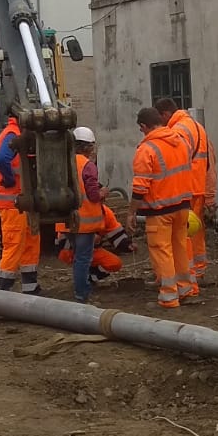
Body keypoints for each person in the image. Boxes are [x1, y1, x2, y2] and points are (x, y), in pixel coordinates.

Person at [128, 106, 196, 308]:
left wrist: (131, 212)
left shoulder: (146, 150)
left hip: (160, 211)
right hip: (183, 207)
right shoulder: (181, 142)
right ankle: (185, 289)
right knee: (180, 247)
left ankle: (169, 296)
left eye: (141, 129)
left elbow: (140, 187)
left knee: (162, 250)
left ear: (144, 126)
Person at [155, 97, 216, 280]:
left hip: (184, 191)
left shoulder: (178, 131)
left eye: (159, 118)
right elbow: (209, 162)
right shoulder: (196, 127)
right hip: (197, 189)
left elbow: (172, 161)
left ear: (165, 114)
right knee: (195, 233)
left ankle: (186, 274)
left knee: (183, 236)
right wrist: (210, 194)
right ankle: (198, 269)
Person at [0, 109, 40, 294]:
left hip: (23, 202)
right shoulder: (12, 134)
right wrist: (10, 180)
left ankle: (30, 287)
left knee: (31, 241)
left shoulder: (19, 134)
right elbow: (2, 159)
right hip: (12, 203)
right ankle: (3, 292)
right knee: (14, 245)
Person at [59, 125, 107, 303]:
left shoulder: (64, 162)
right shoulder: (88, 166)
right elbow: (93, 195)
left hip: (67, 220)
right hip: (85, 222)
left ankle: (81, 288)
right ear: (87, 147)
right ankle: (81, 293)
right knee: (83, 258)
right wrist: (103, 193)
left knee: (78, 256)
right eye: (92, 146)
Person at [55, 203, 134, 285]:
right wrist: (88, 238)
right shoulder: (72, 211)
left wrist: (127, 245)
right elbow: (64, 237)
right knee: (82, 260)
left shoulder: (106, 212)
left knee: (115, 263)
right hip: (70, 250)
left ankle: (89, 278)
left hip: (94, 251)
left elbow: (115, 233)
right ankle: (81, 284)